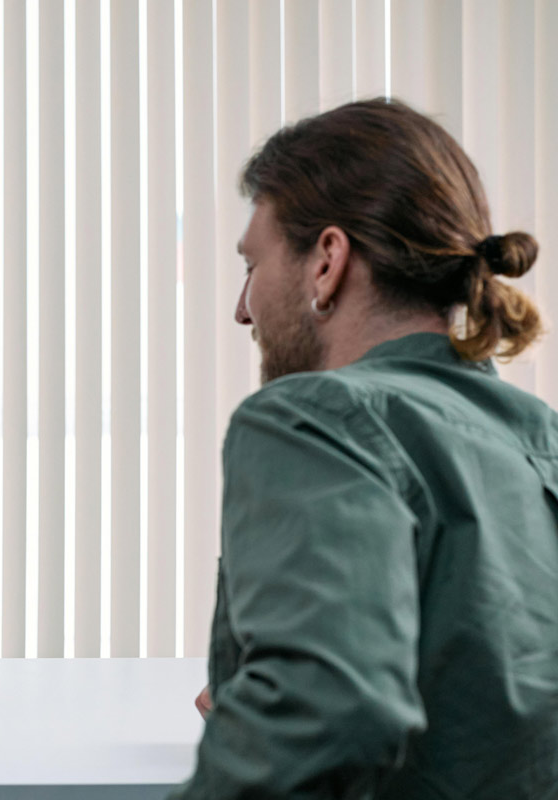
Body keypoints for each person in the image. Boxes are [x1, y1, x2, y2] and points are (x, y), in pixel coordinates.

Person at [172, 99, 558, 798]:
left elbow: (323, 715)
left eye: (252, 265)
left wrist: (281, 705)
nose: (241, 308)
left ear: (326, 261)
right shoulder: (537, 435)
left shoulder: (315, 417)